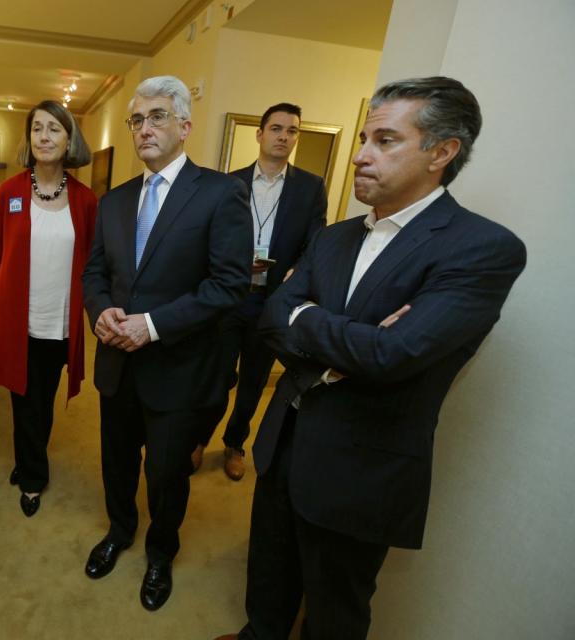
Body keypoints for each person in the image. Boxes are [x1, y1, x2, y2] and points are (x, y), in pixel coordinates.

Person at [214, 77, 526, 640]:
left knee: (334, 611)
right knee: (266, 586)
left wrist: (305, 317)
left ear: (442, 152)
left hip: (361, 468)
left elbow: (394, 353)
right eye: (363, 138)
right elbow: (271, 318)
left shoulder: (481, 249)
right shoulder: (332, 238)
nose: (360, 155)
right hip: (283, 443)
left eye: (385, 140)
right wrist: (337, 332)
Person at [81, 76, 252, 611]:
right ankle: (119, 531)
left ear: (185, 125)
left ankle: (160, 552)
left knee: (166, 472)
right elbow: (93, 273)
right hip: (117, 363)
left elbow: (228, 286)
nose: (144, 128)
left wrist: (150, 325)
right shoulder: (115, 201)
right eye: (137, 119)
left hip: (178, 367)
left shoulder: (220, 192)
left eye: (156, 116)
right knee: (115, 462)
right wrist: (100, 311)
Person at [193, 102, 327, 481]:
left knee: (254, 382)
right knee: (216, 377)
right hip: (228, 298)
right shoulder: (228, 182)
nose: (284, 136)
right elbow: (209, 238)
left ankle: (236, 443)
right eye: (276, 128)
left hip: (272, 302)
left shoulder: (310, 186)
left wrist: (294, 275)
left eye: (292, 130)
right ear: (260, 133)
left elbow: (315, 244)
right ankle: (199, 438)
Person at [0, 100, 97, 518]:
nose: (44, 137)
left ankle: (29, 467)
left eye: (54, 129)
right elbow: (1, 256)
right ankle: (31, 470)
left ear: (69, 140)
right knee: (21, 396)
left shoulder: (85, 200)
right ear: (29, 139)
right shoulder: (10, 192)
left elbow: (89, 260)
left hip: (58, 319)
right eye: (37, 129)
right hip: (18, 317)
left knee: (41, 400)